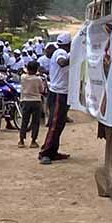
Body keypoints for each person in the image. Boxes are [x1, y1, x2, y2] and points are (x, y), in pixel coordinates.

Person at [39, 33, 72, 165]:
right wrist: (73, 55)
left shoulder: (60, 51)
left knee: (59, 124)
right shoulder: (60, 52)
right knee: (55, 124)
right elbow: (62, 63)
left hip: (62, 92)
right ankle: (45, 153)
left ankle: (53, 151)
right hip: (59, 93)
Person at [19, 60, 47, 148]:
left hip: (26, 101)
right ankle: (33, 141)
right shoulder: (38, 79)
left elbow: (24, 72)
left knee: (24, 121)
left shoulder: (23, 77)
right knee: (35, 122)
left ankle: (21, 140)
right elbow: (42, 90)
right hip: (36, 101)